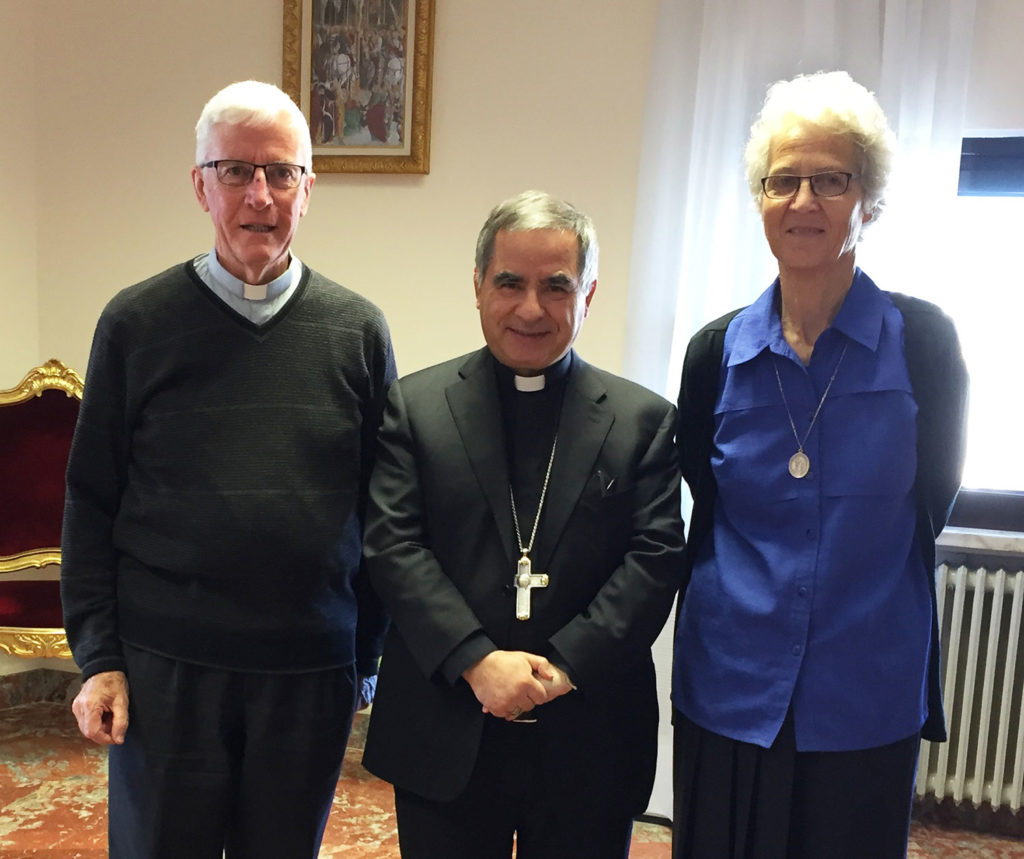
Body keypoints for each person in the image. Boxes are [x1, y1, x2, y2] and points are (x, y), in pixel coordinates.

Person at [61, 80, 396, 859]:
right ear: (199, 184)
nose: (259, 194)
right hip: (166, 672)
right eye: (235, 170)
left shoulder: (357, 332)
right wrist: (101, 659)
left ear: (308, 189)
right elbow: (90, 501)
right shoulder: (135, 324)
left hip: (308, 671)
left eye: (281, 173)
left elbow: (383, 510)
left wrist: (367, 657)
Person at [671, 71, 969, 858]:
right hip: (730, 682)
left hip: (865, 684)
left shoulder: (925, 343)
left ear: (867, 199)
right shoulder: (715, 351)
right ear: (760, 199)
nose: (804, 203)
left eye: (831, 180)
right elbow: (707, 496)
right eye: (784, 181)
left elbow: (933, 494)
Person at [361, 190, 684, 858]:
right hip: (446, 725)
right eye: (510, 282)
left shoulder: (641, 421)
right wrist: (477, 661)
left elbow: (653, 561)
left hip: (588, 734)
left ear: (587, 295)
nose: (531, 308)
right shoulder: (416, 407)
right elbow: (393, 546)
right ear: (479, 286)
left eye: (556, 286)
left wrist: (560, 668)